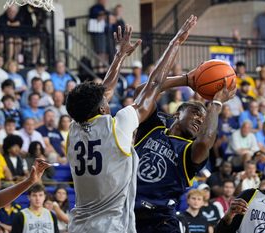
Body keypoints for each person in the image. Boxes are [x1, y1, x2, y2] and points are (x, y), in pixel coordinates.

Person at [65, 16, 196, 233]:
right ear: (101, 108)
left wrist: (119, 56)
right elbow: (153, 83)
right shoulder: (119, 127)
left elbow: (103, 90)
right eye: (105, 101)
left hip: (79, 225)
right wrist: (176, 42)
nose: (108, 98)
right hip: (111, 226)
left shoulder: (73, 129)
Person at [133, 35, 236, 233]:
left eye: (203, 119)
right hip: (126, 210)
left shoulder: (191, 151)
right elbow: (141, 91)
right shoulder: (154, 127)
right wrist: (187, 80)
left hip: (160, 220)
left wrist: (216, 104)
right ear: (177, 113)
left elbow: (205, 143)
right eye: (196, 113)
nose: (200, 119)